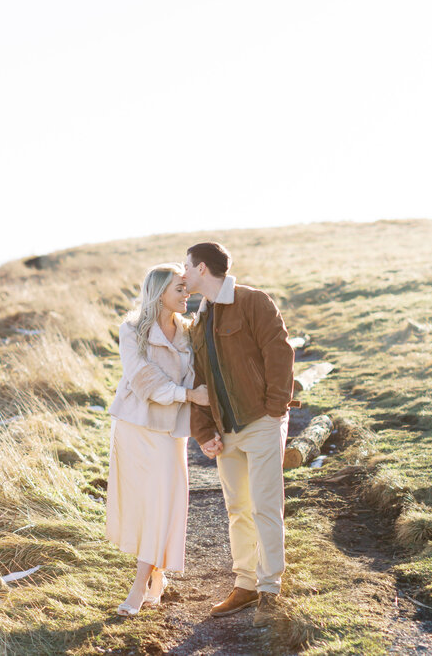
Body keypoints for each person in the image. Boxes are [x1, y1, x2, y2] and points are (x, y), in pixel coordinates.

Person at [183, 242, 296, 628]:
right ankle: (245, 584)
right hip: (225, 431)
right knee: (237, 510)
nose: (183, 275)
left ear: (201, 268)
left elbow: (279, 353)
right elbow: (198, 380)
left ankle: (270, 587)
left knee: (266, 504)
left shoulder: (252, 301)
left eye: (186, 266)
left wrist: (275, 409)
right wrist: (203, 430)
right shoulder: (200, 318)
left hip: (261, 421)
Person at [106, 263, 210, 616]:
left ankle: (141, 586)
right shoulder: (132, 330)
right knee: (146, 505)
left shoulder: (190, 331)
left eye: (186, 288)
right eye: (179, 289)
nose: (187, 294)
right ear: (160, 293)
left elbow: (202, 372)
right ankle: (154, 578)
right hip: (136, 427)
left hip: (170, 432)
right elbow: (142, 379)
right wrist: (190, 396)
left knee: (163, 502)